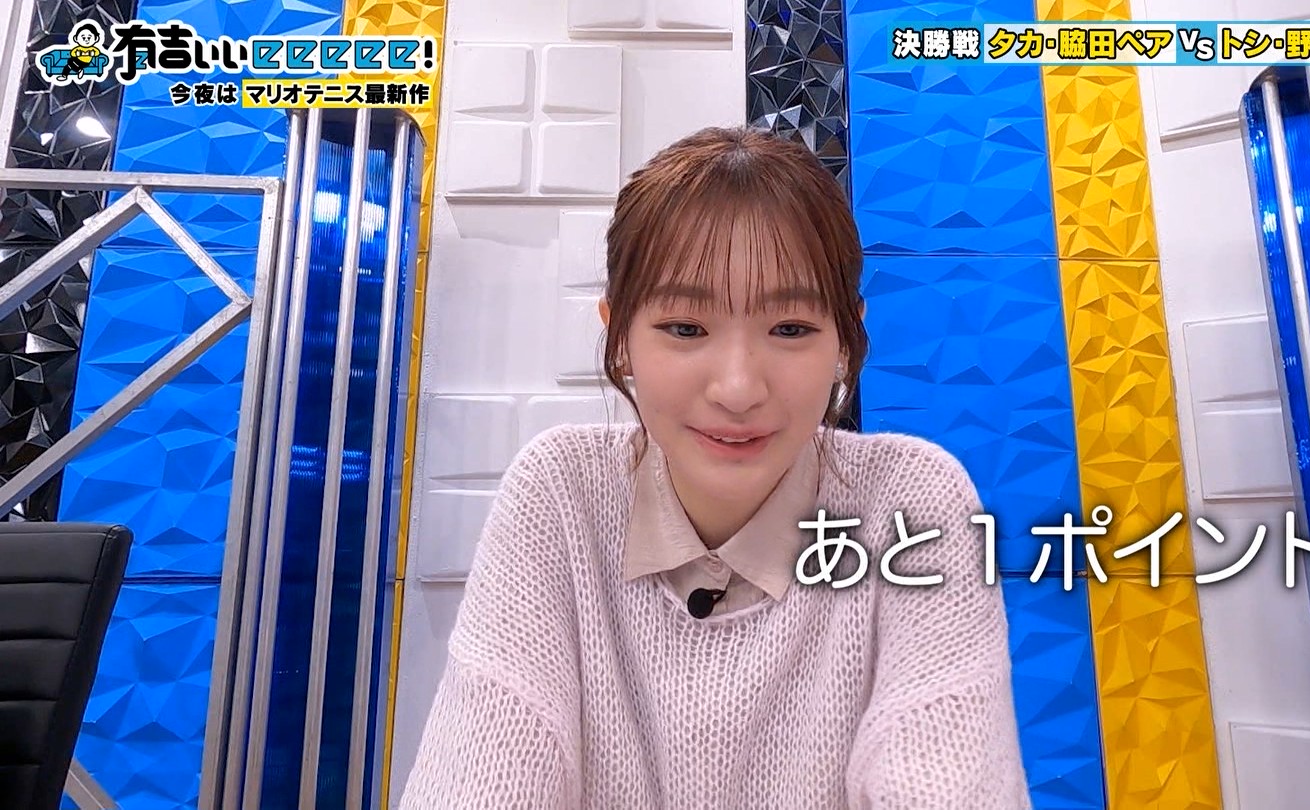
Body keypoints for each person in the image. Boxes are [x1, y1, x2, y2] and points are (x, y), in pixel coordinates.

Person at [400, 126, 1031, 808]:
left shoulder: (911, 502)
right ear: (619, 335)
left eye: (790, 329)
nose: (737, 389)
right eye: (685, 329)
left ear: (847, 341)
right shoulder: (561, 493)